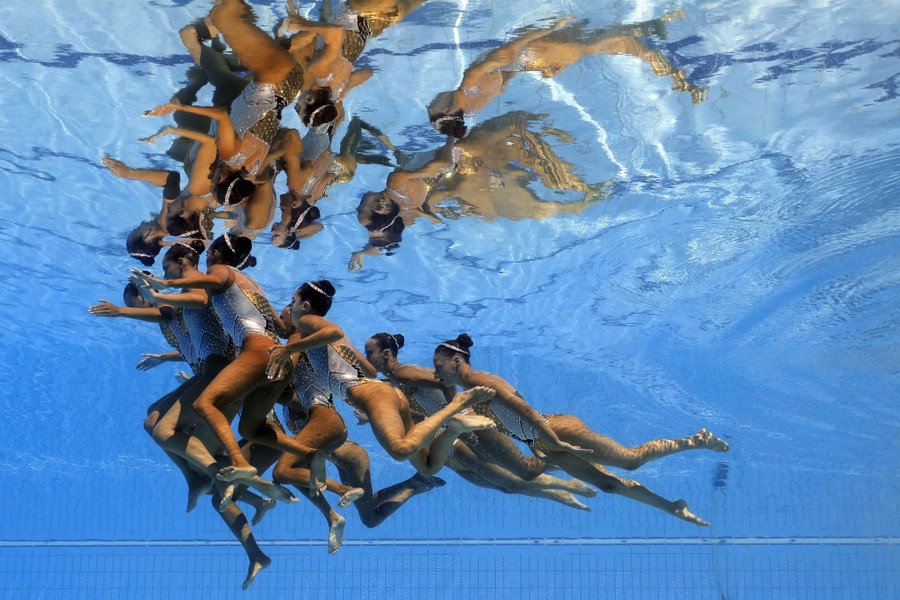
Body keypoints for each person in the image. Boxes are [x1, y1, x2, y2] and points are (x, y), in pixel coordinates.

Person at [432, 334, 730, 525]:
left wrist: (559, 443)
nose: (436, 372)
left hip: (559, 431)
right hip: (548, 443)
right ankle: (672, 507)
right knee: (609, 485)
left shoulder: (482, 381)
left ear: (457, 360)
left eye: (438, 365)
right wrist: (542, 447)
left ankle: (696, 440)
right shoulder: (468, 392)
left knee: (631, 460)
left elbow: (526, 411)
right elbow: (514, 424)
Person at [129, 234, 320, 488]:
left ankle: (241, 463)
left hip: (257, 352)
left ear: (217, 254)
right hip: (275, 358)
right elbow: (284, 329)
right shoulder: (251, 284)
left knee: (204, 405)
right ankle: (309, 453)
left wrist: (161, 290)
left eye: (209, 254)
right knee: (251, 430)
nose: (206, 258)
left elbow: (202, 294)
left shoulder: (220, 270)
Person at [265, 280, 498, 482]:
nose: (290, 306)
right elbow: (371, 370)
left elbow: (333, 332)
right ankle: (453, 429)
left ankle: (456, 407)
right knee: (428, 466)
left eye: (292, 301)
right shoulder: (336, 338)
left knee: (400, 450)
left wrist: (289, 350)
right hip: (382, 394)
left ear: (305, 306)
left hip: (375, 397)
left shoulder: (307, 323)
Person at [364, 333, 597, 510]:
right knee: (508, 483)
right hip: (458, 432)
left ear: (386, 354)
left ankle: (579, 465)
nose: (366, 359)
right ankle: (564, 485)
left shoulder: (404, 374)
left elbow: (445, 383)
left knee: (520, 474)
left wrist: (456, 411)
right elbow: (420, 411)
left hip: (467, 429)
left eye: (369, 354)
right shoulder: (395, 381)